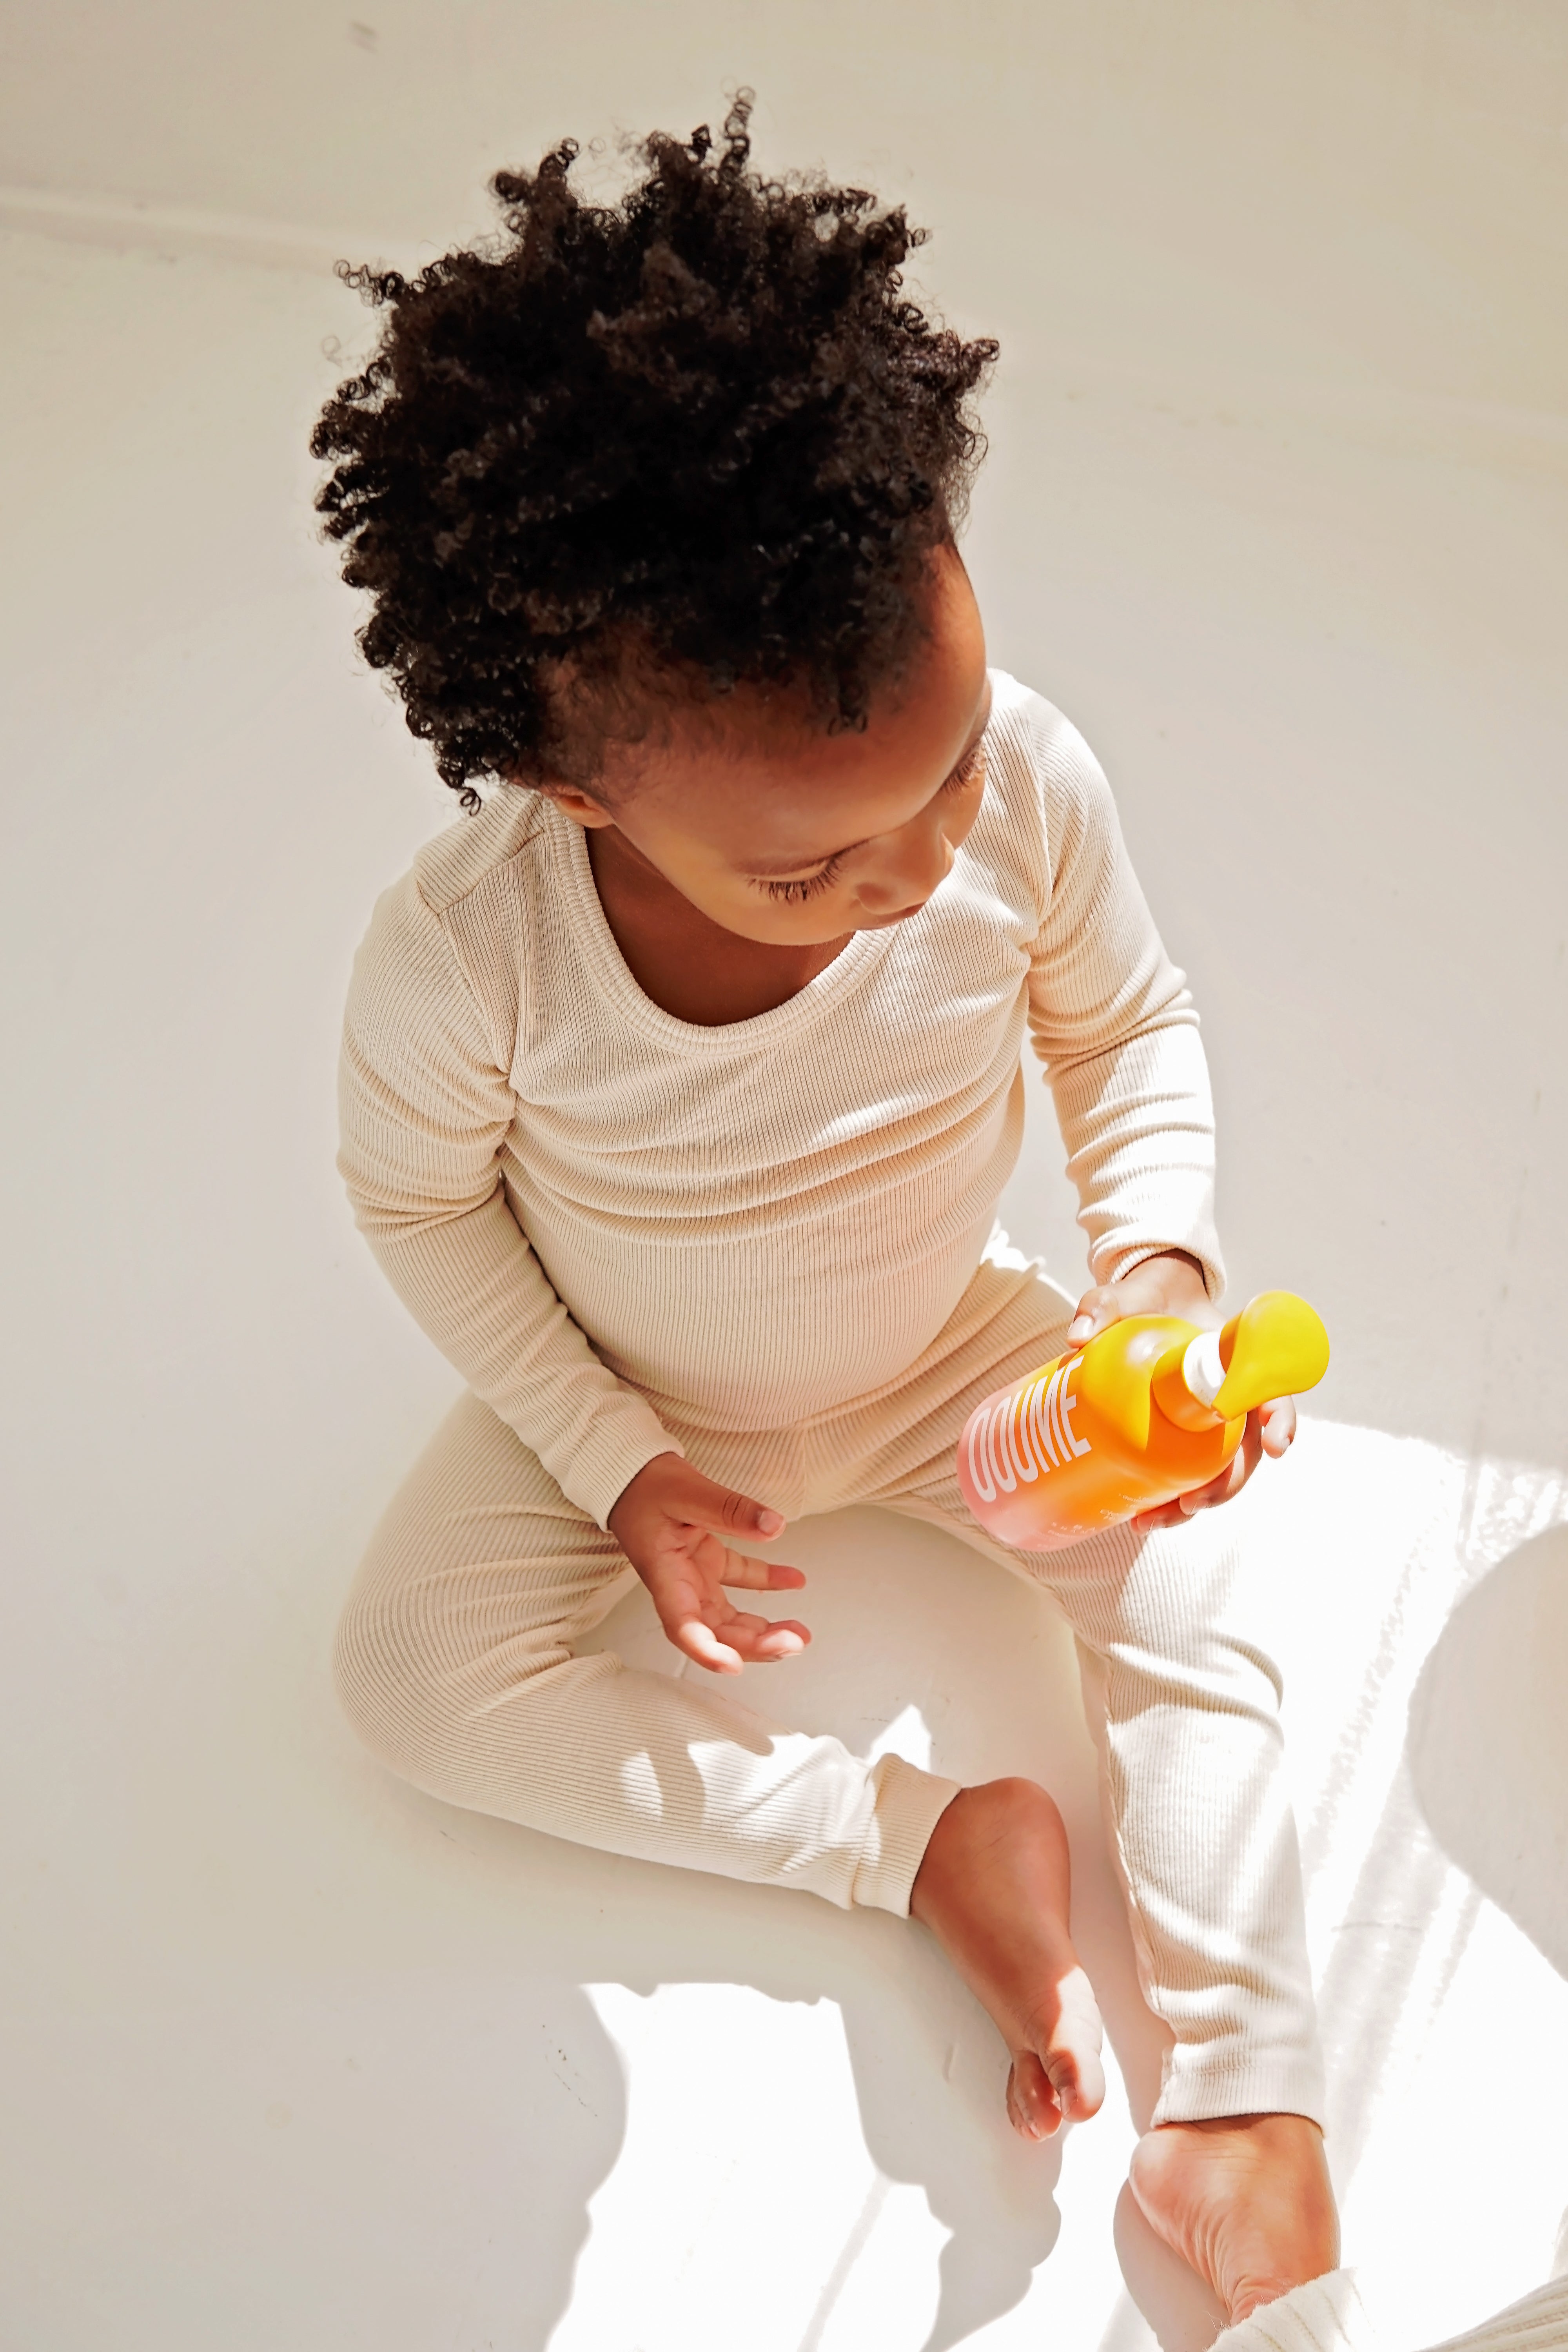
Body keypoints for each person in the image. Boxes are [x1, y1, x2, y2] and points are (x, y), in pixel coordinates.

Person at [316, 95, 1338, 2325]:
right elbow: (419, 1215)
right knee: (403, 1679)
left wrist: (1146, 1278)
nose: (918, 879)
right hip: (634, 1405)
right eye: (813, 870)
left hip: (960, 1356)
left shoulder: (1026, 785)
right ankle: (918, 1844)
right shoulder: (468, 951)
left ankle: (1252, 2098)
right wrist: (618, 1465)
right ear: (578, 788)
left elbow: (1130, 1029)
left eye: (948, 776)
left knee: (1222, 1580)